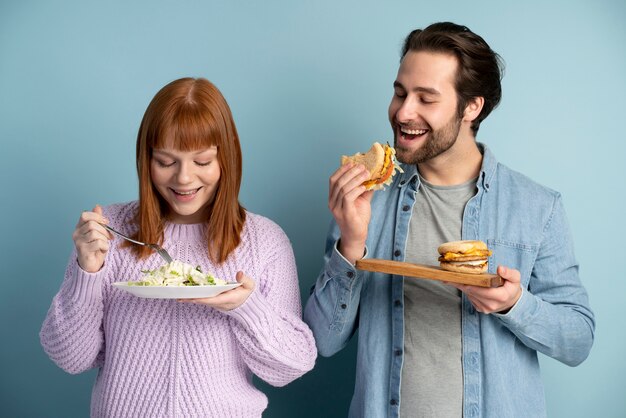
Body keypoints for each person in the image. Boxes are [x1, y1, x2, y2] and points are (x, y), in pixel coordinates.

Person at [304, 22, 594, 418]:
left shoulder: (536, 208)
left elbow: (578, 341)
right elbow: (321, 341)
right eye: (400, 93)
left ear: (471, 107)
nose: (404, 112)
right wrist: (351, 244)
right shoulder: (367, 200)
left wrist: (515, 305)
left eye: (426, 98)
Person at [41, 77, 317, 417]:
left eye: (201, 162)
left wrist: (246, 307)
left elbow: (292, 366)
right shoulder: (109, 232)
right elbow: (70, 358)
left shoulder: (265, 241)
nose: (184, 178)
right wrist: (88, 272)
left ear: (226, 156)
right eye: (166, 162)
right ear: (146, 158)